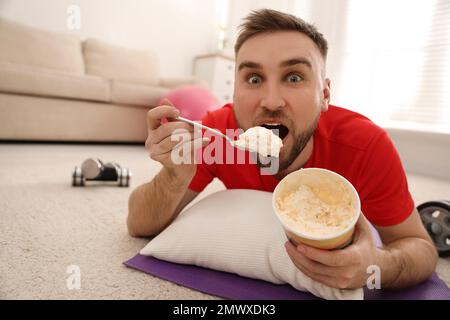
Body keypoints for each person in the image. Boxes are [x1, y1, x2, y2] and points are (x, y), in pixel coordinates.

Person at [127, 9, 438, 290]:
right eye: (253, 78)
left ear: (325, 94)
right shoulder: (218, 134)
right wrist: (173, 177)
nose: (271, 101)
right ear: (234, 91)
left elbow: (420, 248)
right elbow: (138, 225)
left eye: (294, 77)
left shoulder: (365, 145)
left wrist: (376, 266)